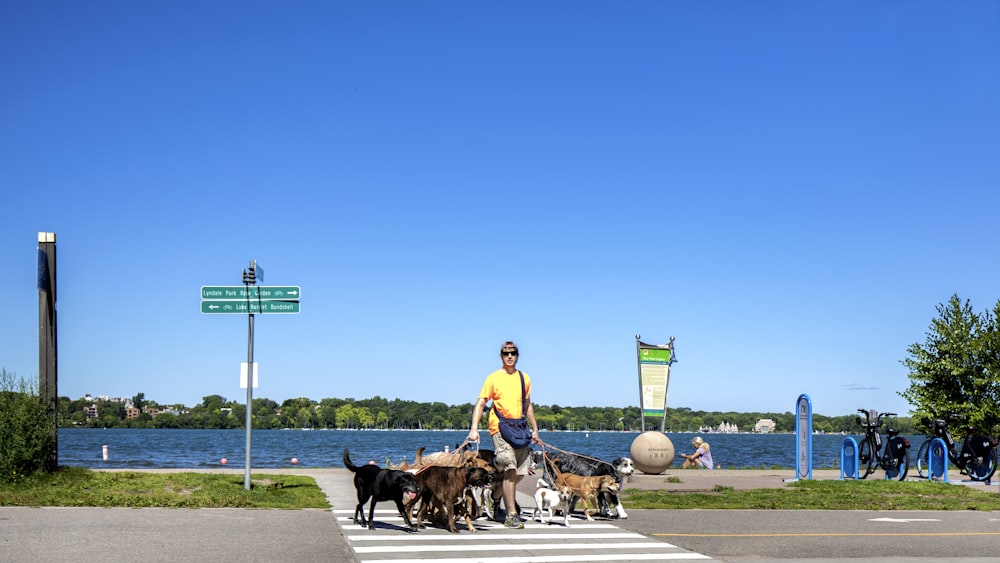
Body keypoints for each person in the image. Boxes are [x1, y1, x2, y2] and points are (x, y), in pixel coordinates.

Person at [467, 340, 540, 529]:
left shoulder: (525, 378)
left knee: (521, 473)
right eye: (506, 353)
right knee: (510, 468)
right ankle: (511, 515)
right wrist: (474, 428)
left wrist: (535, 429)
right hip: (499, 426)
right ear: (501, 356)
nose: (510, 356)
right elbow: (481, 403)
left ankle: (496, 495)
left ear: (517, 356)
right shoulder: (493, 378)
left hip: (520, 428)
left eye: (513, 353)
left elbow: (528, 405)